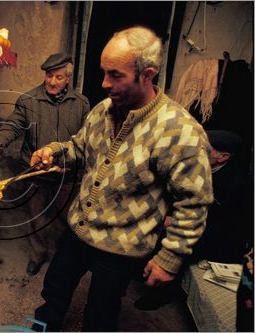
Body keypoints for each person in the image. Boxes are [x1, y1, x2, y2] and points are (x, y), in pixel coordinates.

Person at [29, 26, 213, 331]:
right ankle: (41, 325)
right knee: (55, 288)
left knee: (101, 312)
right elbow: (79, 147)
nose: (104, 84)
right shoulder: (103, 110)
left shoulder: (180, 131)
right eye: (103, 73)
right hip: (79, 230)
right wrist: (54, 152)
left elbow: (194, 203)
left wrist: (170, 257)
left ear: (147, 74)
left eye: (115, 75)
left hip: (122, 247)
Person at [0, 53, 90, 275]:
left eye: (58, 77)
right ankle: (37, 255)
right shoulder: (28, 100)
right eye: (49, 76)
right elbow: (12, 126)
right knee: (35, 218)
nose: (52, 82)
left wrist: (74, 162)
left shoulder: (82, 104)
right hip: (34, 175)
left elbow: (87, 140)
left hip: (67, 175)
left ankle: (60, 260)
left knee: (65, 219)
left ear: (68, 78)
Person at [134, 130, 253, 310]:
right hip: (195, 220)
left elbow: (226, 226)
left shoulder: (236, 186)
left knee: (182, 247)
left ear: (223, 157)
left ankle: (160, 295)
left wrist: (176, 223)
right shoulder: (195, 164)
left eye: (205, 149)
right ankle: (143, 271)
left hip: (216, 235)